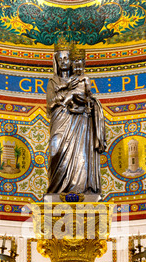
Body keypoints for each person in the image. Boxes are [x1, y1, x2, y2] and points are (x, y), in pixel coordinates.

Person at [46, 41, 106, 196]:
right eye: (61, 59)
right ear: (56, 62)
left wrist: (87, 103)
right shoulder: (53, 82)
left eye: (67, 58)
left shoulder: (81, 80)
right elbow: (51, 104)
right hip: (60, 119)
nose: (64, 62)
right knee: (55, 149)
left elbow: (89, 98)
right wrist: (66, 95)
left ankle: (80, 188)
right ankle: (56, 189)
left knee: (82, 156)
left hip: (80, 122)